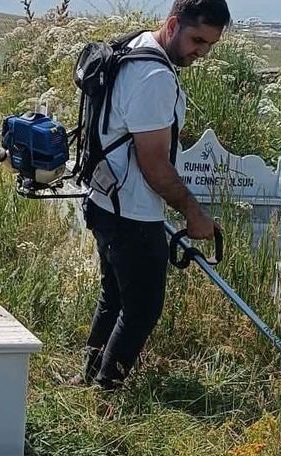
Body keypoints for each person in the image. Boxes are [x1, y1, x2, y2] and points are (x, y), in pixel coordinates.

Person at [77, 0, 230, 390]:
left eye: (210, 45)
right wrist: (194, 214)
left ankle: (89, 380)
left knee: (114, 296)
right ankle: (105, 393)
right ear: (173, 25)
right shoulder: (154, 77)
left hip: (103, 200)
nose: (202, 52)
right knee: (142, 309)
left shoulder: (134, 46)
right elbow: (155, 165)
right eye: (197, 40)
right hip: (132, 213)